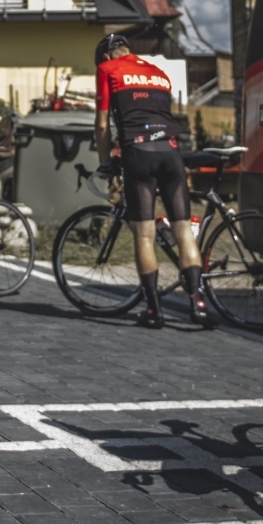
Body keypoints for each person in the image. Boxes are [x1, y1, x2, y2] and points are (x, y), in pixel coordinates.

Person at [93, 33, 216, 329]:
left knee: (144, 235)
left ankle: (153, 310)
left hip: (139, 153)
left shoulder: (108, 70)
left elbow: (101, 124)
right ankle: (198, 305)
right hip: (171, 153)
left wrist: (105, 162)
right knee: (184, 231)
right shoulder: (158, 73)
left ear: (107, 55)